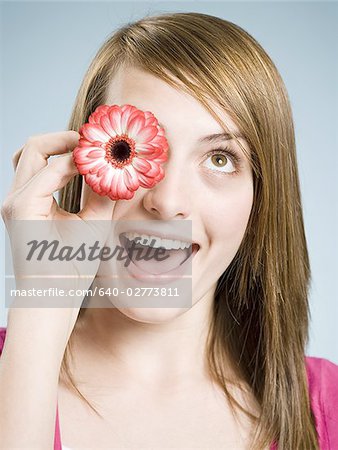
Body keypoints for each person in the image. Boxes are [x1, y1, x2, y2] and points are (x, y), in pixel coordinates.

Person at [0, 11, 337, 450]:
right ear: (82, 161)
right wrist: (43, 308)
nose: (168, 201)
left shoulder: (324, 408)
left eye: (220, 158)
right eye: (133, 148)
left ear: (261, 199)